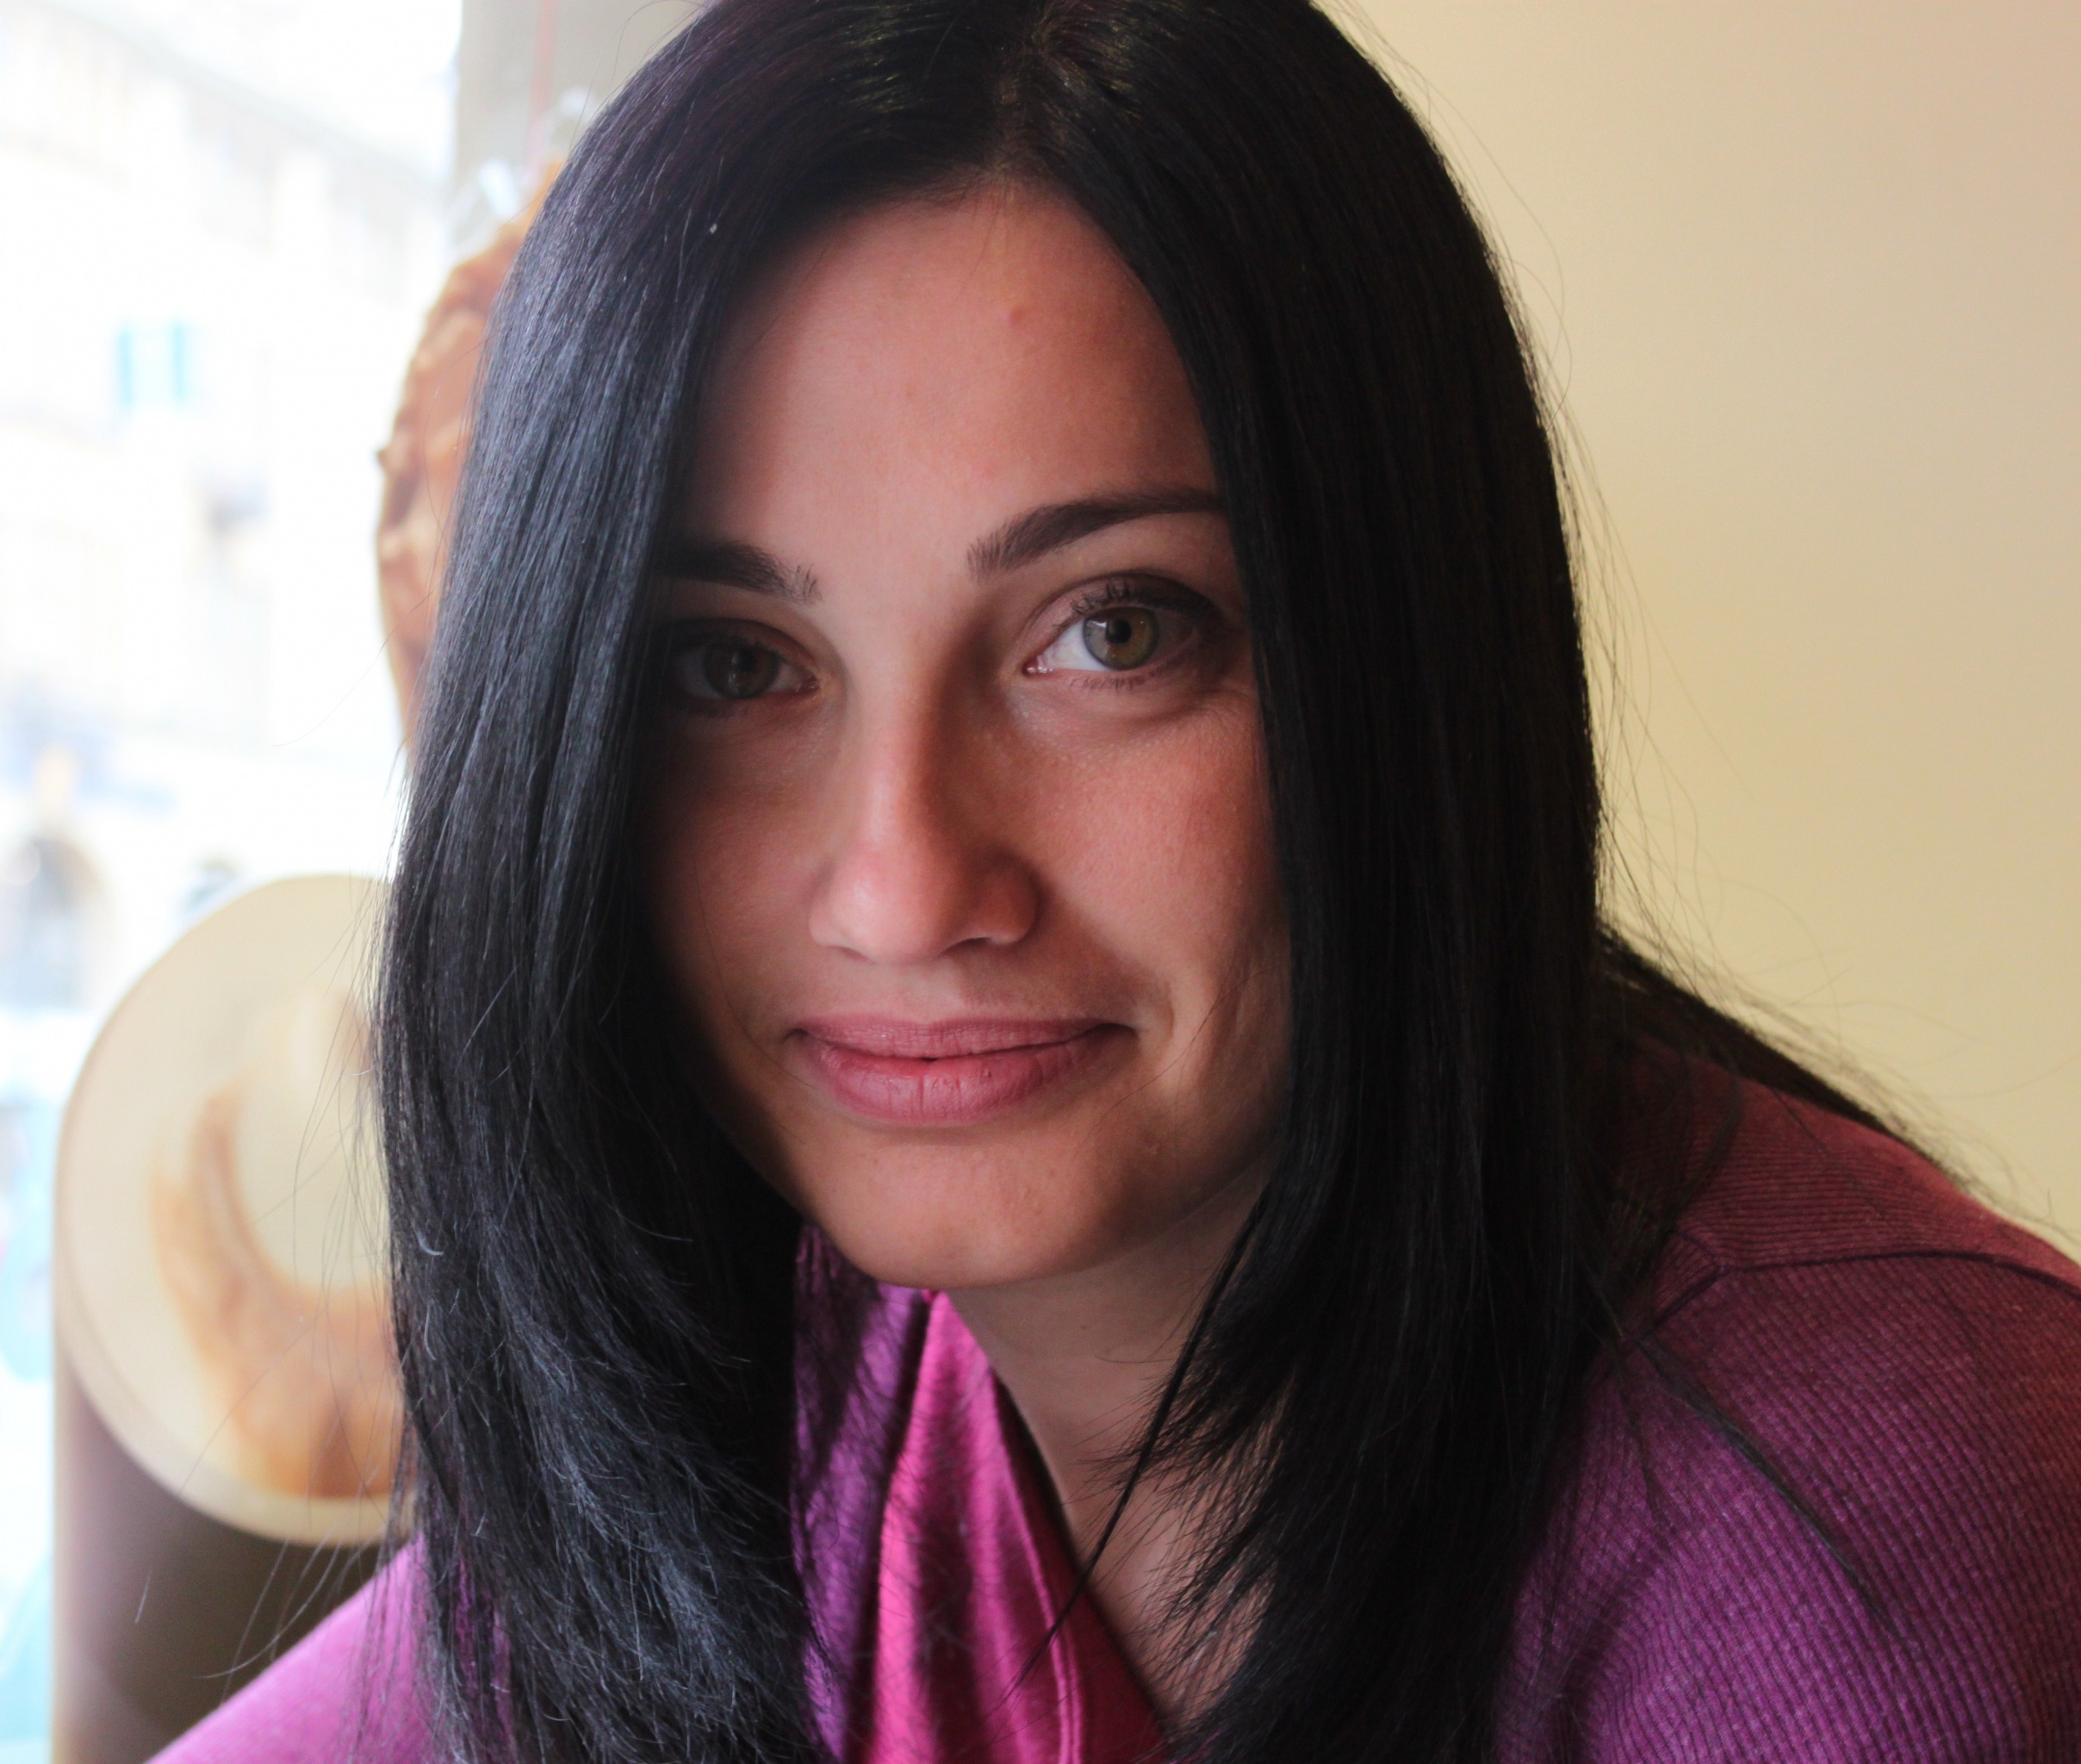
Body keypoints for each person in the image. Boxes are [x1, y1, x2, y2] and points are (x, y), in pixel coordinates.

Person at [155, 1, 2081, 1760]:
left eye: (1113, 632)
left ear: (1410, 658)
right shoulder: (827, 1391)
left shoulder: (1879, 1538)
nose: (905, 889)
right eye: (733, 665)